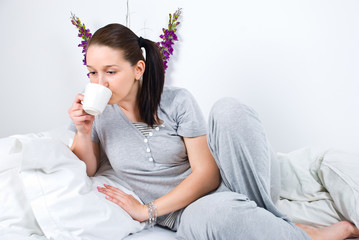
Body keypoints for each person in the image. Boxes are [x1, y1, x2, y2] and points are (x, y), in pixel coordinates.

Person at [68, 23, 359, 240]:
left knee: (228, 108)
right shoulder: (99, 117)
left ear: (138, 69)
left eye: (110, 71)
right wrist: (83, 130)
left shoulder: (176, 101)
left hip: (238, 183)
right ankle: (303, 234)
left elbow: (207, 173)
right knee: (219, 214)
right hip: (190, 213)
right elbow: (87, 168)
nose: (99, 82)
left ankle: (267, 221)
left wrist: (147, 211)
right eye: (92, 72)